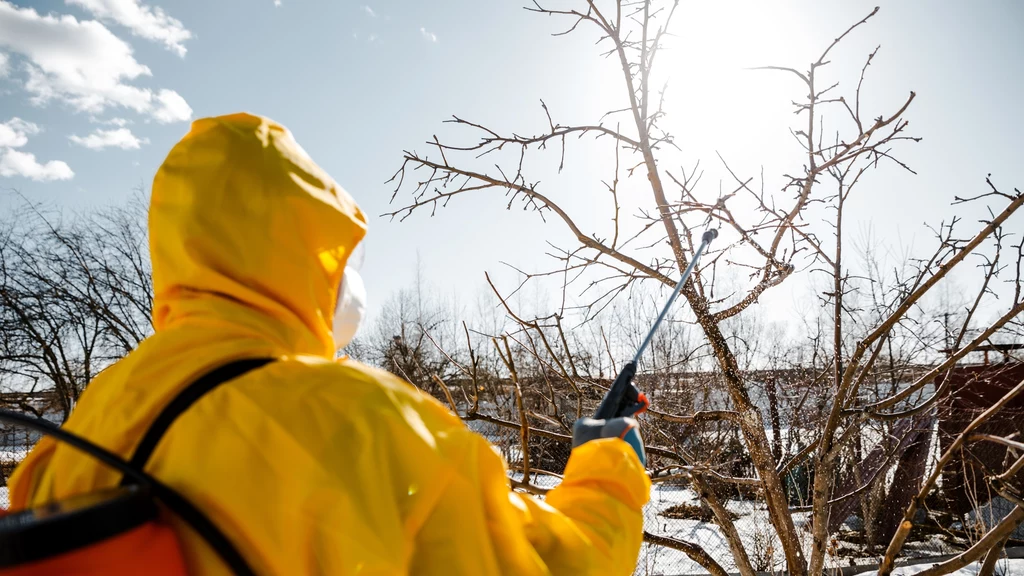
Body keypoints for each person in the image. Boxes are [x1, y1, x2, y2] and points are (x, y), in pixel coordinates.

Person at [9, 113, 650, 575]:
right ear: (303, 258)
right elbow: (560, 564)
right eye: (334, 254)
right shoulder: (365, 423)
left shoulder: (87, 426)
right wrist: (606, 466)